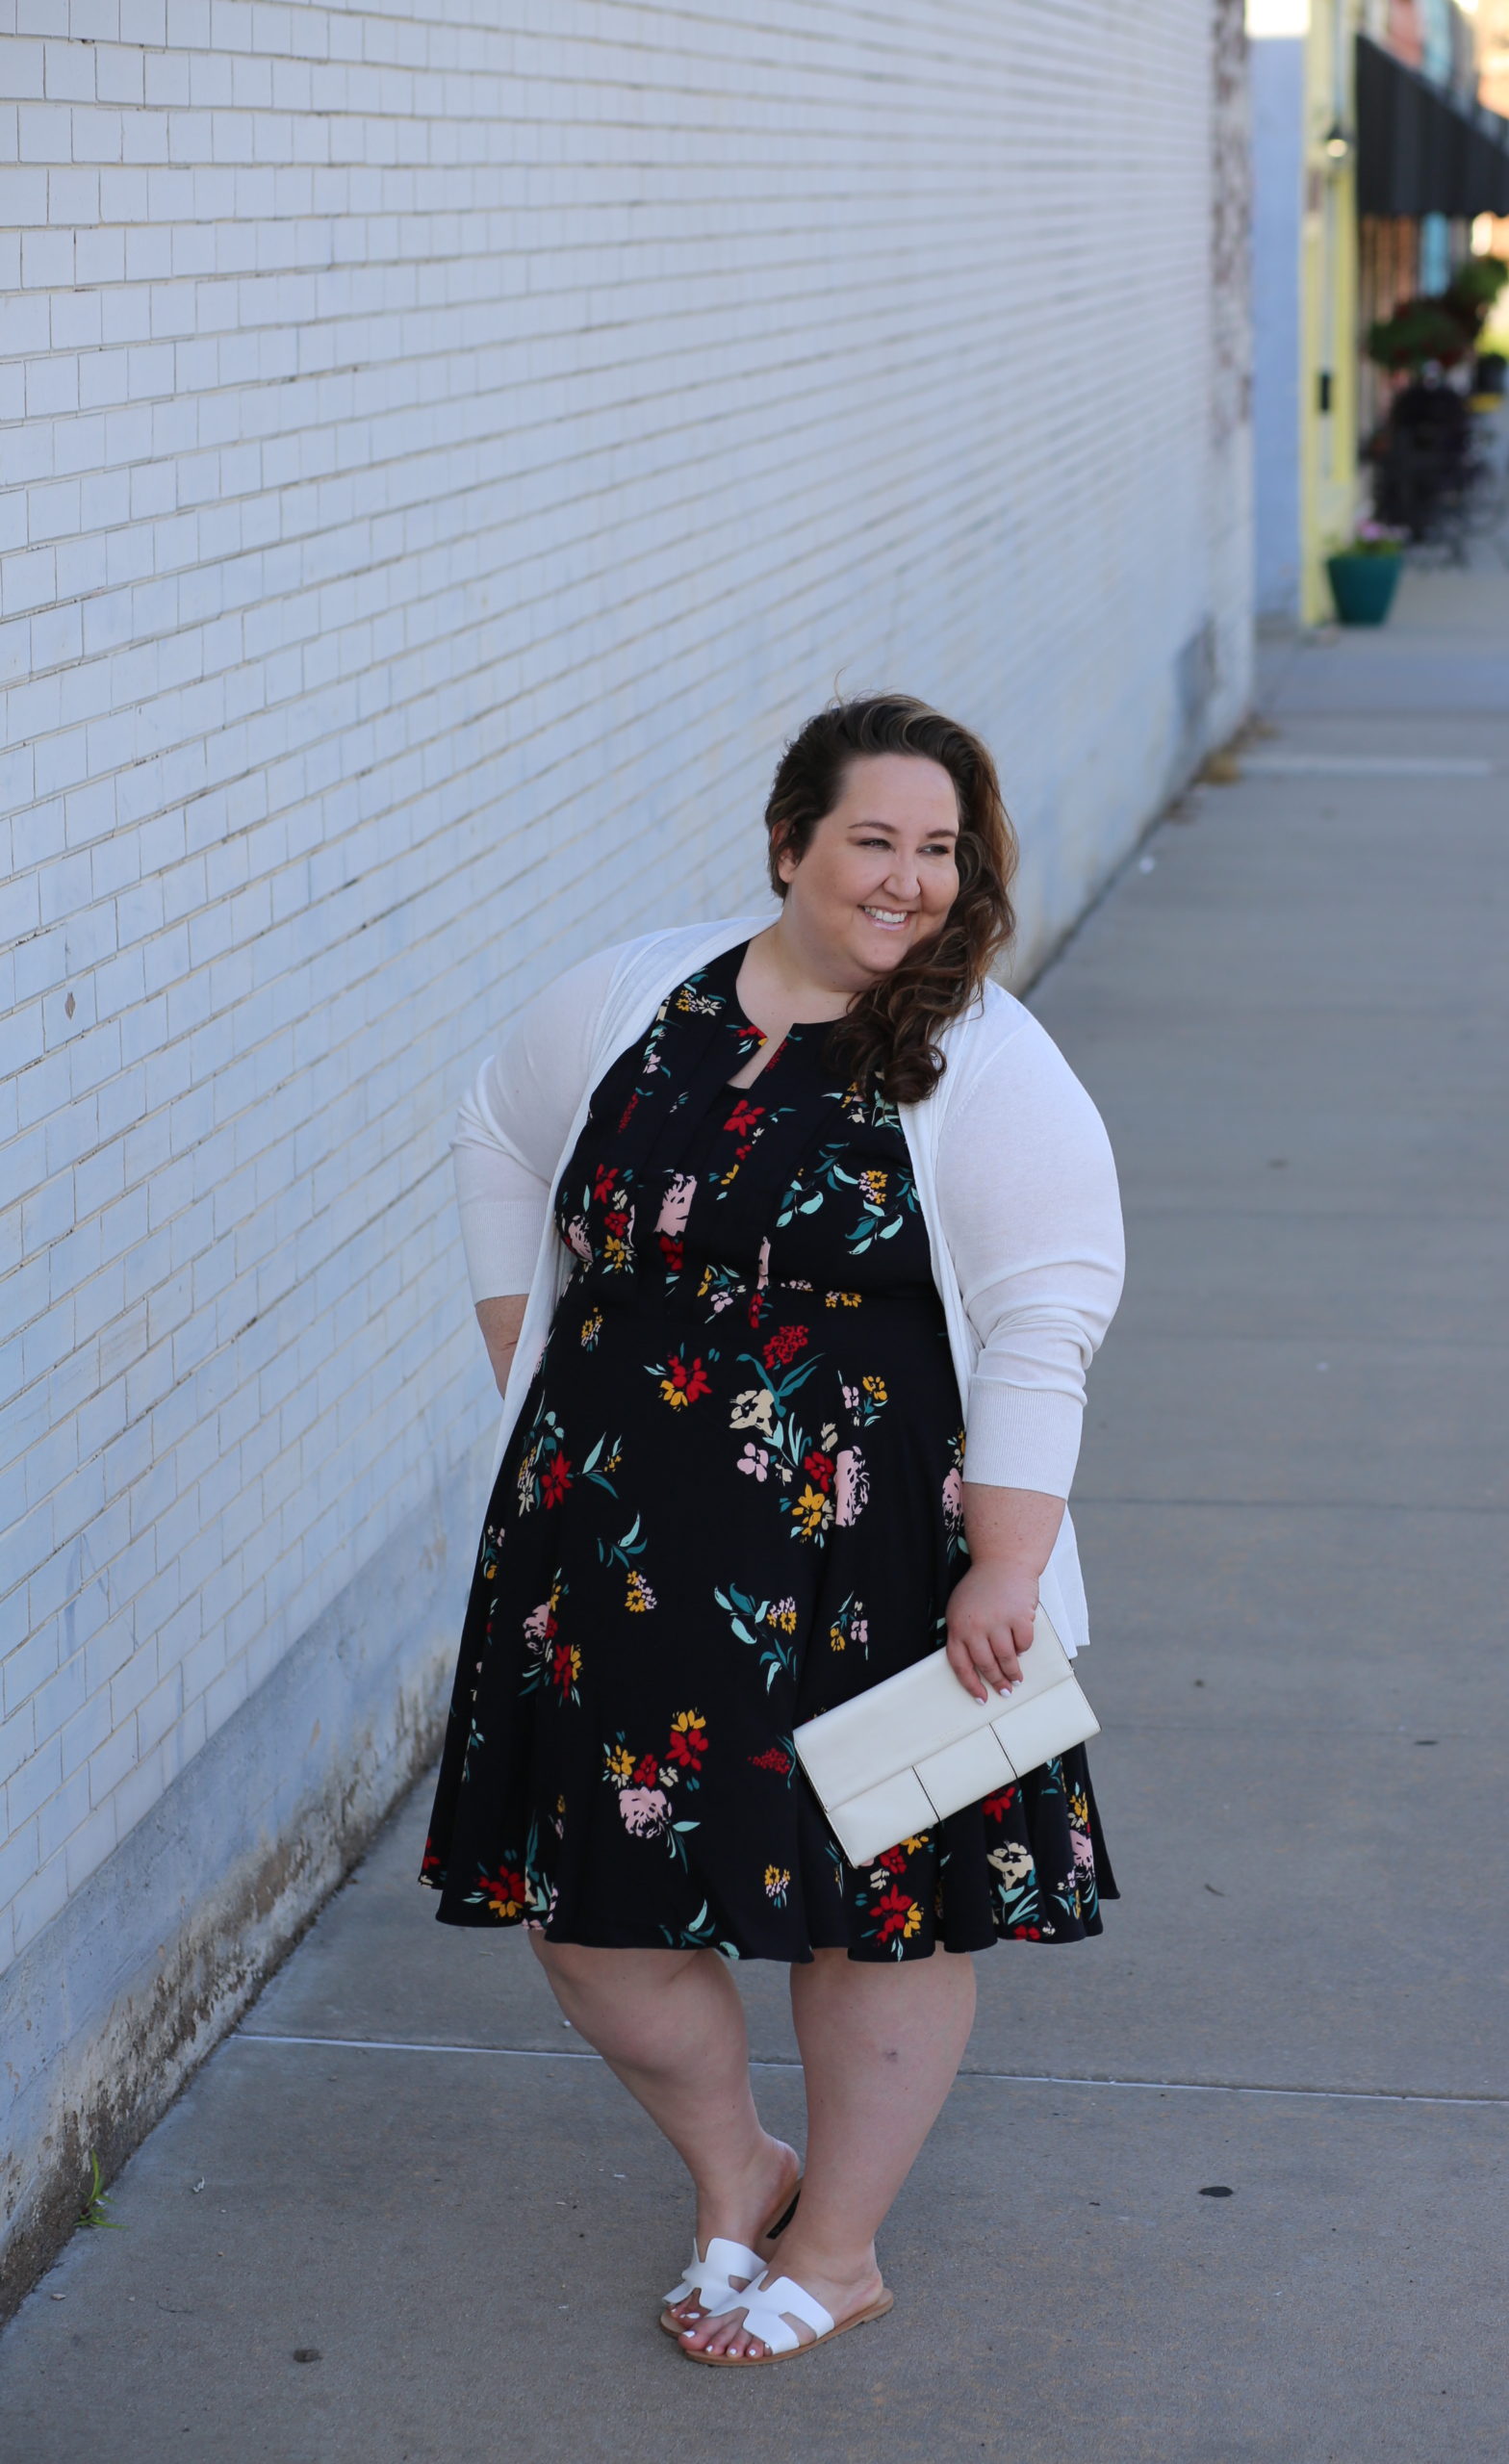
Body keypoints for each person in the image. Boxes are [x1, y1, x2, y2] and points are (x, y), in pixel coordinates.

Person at [421, 693, 1125, 2364]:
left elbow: (1048, 1311)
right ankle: (740, 2177)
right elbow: (499, 1133)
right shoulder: (627, 999)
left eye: (938, 849)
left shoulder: (986, 1057)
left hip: (885, 1553)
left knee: (887, 1903)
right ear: (789, 843)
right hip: (606, 1545)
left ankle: (849, 2246)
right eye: (871, 840)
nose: (904, 881)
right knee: (590, 1916)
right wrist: (537, 1364)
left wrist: (1007, 1566)